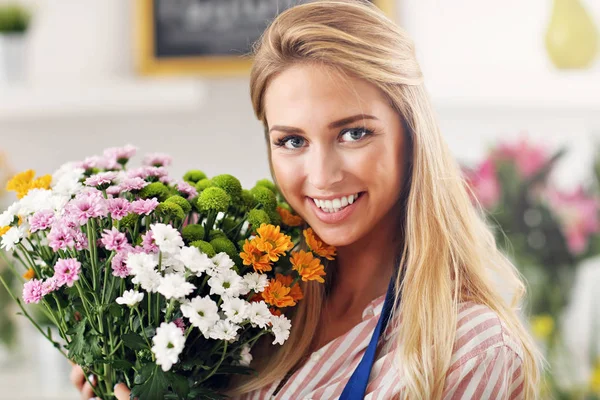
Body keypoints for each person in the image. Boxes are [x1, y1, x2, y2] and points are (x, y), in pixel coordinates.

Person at [70, 1, 542, 398]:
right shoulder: (246, 305)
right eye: (292, 141)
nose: (322, 176)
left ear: (411, 134)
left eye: (354, 133)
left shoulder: (466, 348)